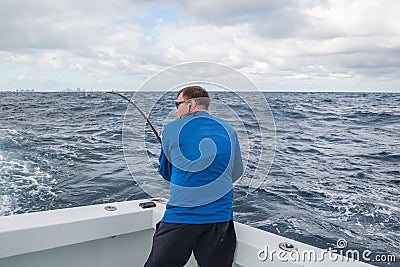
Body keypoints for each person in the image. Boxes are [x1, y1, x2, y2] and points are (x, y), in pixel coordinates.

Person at [144, 86, 244, 267]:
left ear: (191, 104)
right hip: (220, 219)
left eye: (178, 104)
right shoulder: (229, 129)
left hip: (181, 218)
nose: (176, 109)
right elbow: (237, 172)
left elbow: (166, 173)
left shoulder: (172, 129)